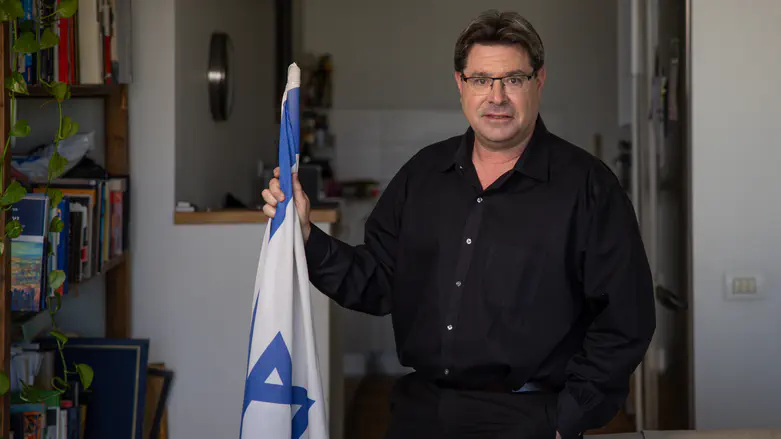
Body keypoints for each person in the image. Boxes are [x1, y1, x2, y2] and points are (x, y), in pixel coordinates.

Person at [262, 9, 655, 439]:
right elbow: (375, 281)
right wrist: (306, 234)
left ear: (539, 80)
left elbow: (625, 319)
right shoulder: (422, 175)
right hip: (421, 414)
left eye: (513, 79)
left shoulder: (589, 186)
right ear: (460, 84)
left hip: (529, 419)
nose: (497, 97)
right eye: (481, 79)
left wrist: (570, 417)